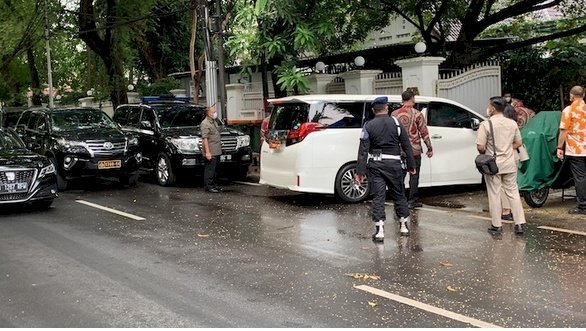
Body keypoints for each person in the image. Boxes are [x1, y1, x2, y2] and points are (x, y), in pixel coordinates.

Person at [355, 96, 416, 241]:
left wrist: (360, 172)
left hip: (376, 165)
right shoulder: (396, 123)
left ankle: (380, 230)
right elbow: (407, 146)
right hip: (395, 165)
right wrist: (411, 165)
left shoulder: (368, 125)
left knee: (378, 197)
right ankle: (403, 226)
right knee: (399, 194)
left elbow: (363, 150)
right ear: (386, 108)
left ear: (373, 110)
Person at [476, 96, 527, 235]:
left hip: (493, 164)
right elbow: (518, 143)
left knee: (494, 193)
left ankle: (496, 225)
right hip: (509, 162)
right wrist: (506, 148)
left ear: (492, 108)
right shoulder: (512, 123)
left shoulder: (486, 124)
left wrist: (489, 150)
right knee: (513, 192)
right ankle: (520, 223)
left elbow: (480, 147)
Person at [391, 90, 433, 208]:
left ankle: (399, 199)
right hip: (414, 150)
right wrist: (429, 148)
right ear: (413, 99)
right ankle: (412, 200)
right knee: (414, 176)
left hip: (399, 150)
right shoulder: (417, 114)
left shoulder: (394, 114)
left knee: (400, 176)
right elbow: (424, 132)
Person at [557, 85, 586, 214]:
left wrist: (559, 147)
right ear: (583, 96)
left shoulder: (568, 110)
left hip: (576, 149)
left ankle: (582, 206)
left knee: (580, 177)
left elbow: (563, 131)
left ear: (571, 96)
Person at [500, 104, 519, 221]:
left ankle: (505, 210)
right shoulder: (514, 125)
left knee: (502, 185)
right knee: (512, 185)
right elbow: (519, 142)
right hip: (514, 155)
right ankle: (513, 210)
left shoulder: (499, 125)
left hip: (501, 156)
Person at [201, 104, 222, 193]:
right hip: (211, 150)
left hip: (217, 149)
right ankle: (209, 186)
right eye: (213, 112)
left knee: (215, 169)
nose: (215, 113)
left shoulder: (214, 121)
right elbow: (205, 138)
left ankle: (214, 185)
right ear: (208, 113)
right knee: (210, 169)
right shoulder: (205, 123)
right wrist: (208, 152)